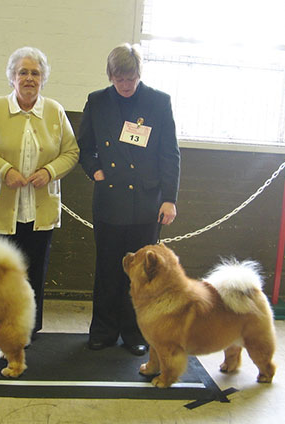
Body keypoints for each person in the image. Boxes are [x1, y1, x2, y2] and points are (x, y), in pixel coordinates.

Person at [0, 46, 79, 340]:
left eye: (35, 73)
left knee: (33, 273)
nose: (29, 78)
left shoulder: (55, 111)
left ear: (43, 79)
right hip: (1, 208)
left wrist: (49, 172)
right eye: (23, 72)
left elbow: (71, 151)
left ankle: (26, 328)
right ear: (12, 77)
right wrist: (5, 171)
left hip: (38, 209)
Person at [77, 43, 181, 356]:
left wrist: (170, 198)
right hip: (109, 200)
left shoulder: (158, 102)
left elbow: (169, 153)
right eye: (119, 79)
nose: (125, 85)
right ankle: (104, 330)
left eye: (131, 79)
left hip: (148, 202)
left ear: (139, 75)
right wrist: (95, 170)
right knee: (107, 269)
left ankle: (136, 332)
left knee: (144, 275)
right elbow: (85, 147)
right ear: (110, 76)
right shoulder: (97, 101)